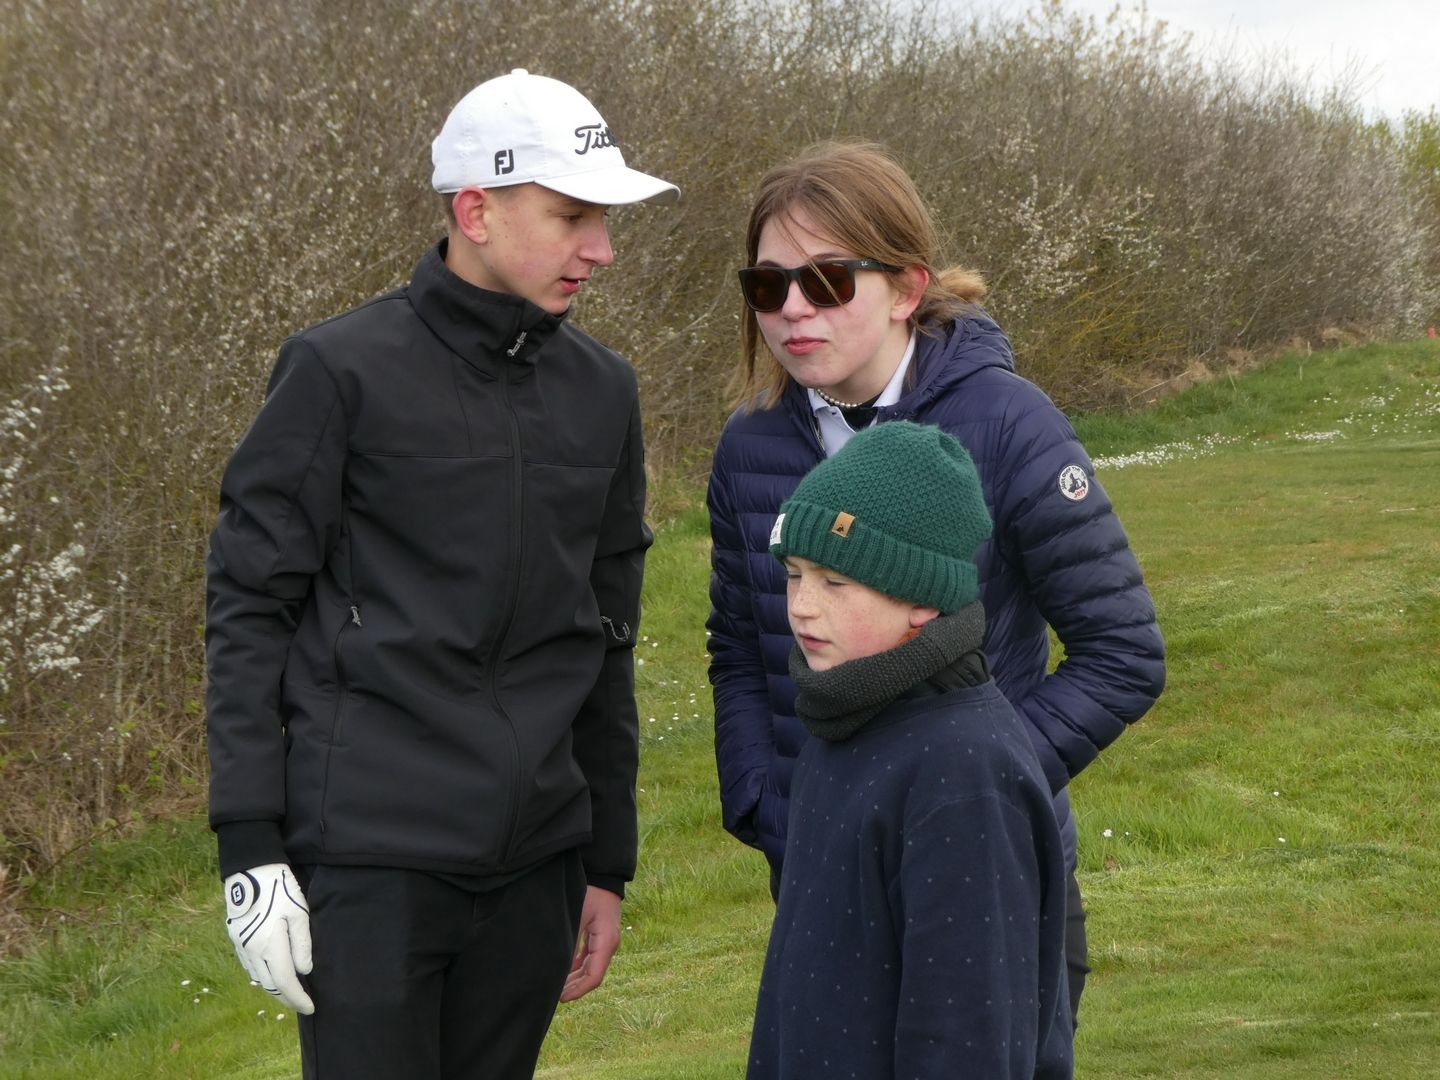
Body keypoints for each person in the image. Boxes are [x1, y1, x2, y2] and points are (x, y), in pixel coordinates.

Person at [205, 69, 678, 1080]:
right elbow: (249, 607)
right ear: (476, 210)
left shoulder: (604, 391)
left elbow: (607, 636)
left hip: (537, 866)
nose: (601, 248)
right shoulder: (338, 371)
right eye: (574, 217)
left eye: (603, 220)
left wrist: (606, 861)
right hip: (369, 865)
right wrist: (250, 847)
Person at [707, 141, 1165, 1025]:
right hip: (817, 874)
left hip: (987, 872)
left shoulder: (1009, 423)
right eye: (767, 285)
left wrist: (975, 794)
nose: (792, 308)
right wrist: (762, 799)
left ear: (906, 289)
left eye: (827, 279)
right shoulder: (749, 443)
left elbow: (1122, 654)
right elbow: (738, 645)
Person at [748, 420, 1071, 1079]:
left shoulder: (964, 774)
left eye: (835, 582)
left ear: (922, 599)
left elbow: (969, 1034)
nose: (802, 606)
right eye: (794, 575)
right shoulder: (844, 721)